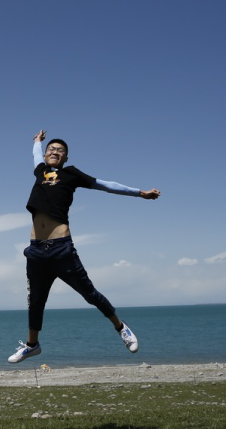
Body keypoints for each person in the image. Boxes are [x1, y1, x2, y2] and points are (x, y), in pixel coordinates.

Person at [8, 130, 160, 364]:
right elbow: (36, 155)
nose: (55, 151)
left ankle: (121, 327)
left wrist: (140, 193)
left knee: (89, 294)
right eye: (51, 149)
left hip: (61, 248)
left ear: (66, 158)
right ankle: (32, 345)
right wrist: (37, 142)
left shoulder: (71, 174)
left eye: (60, 150)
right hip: (36, 251)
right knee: (35, 302)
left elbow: (105, 185)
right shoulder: (40, 171)